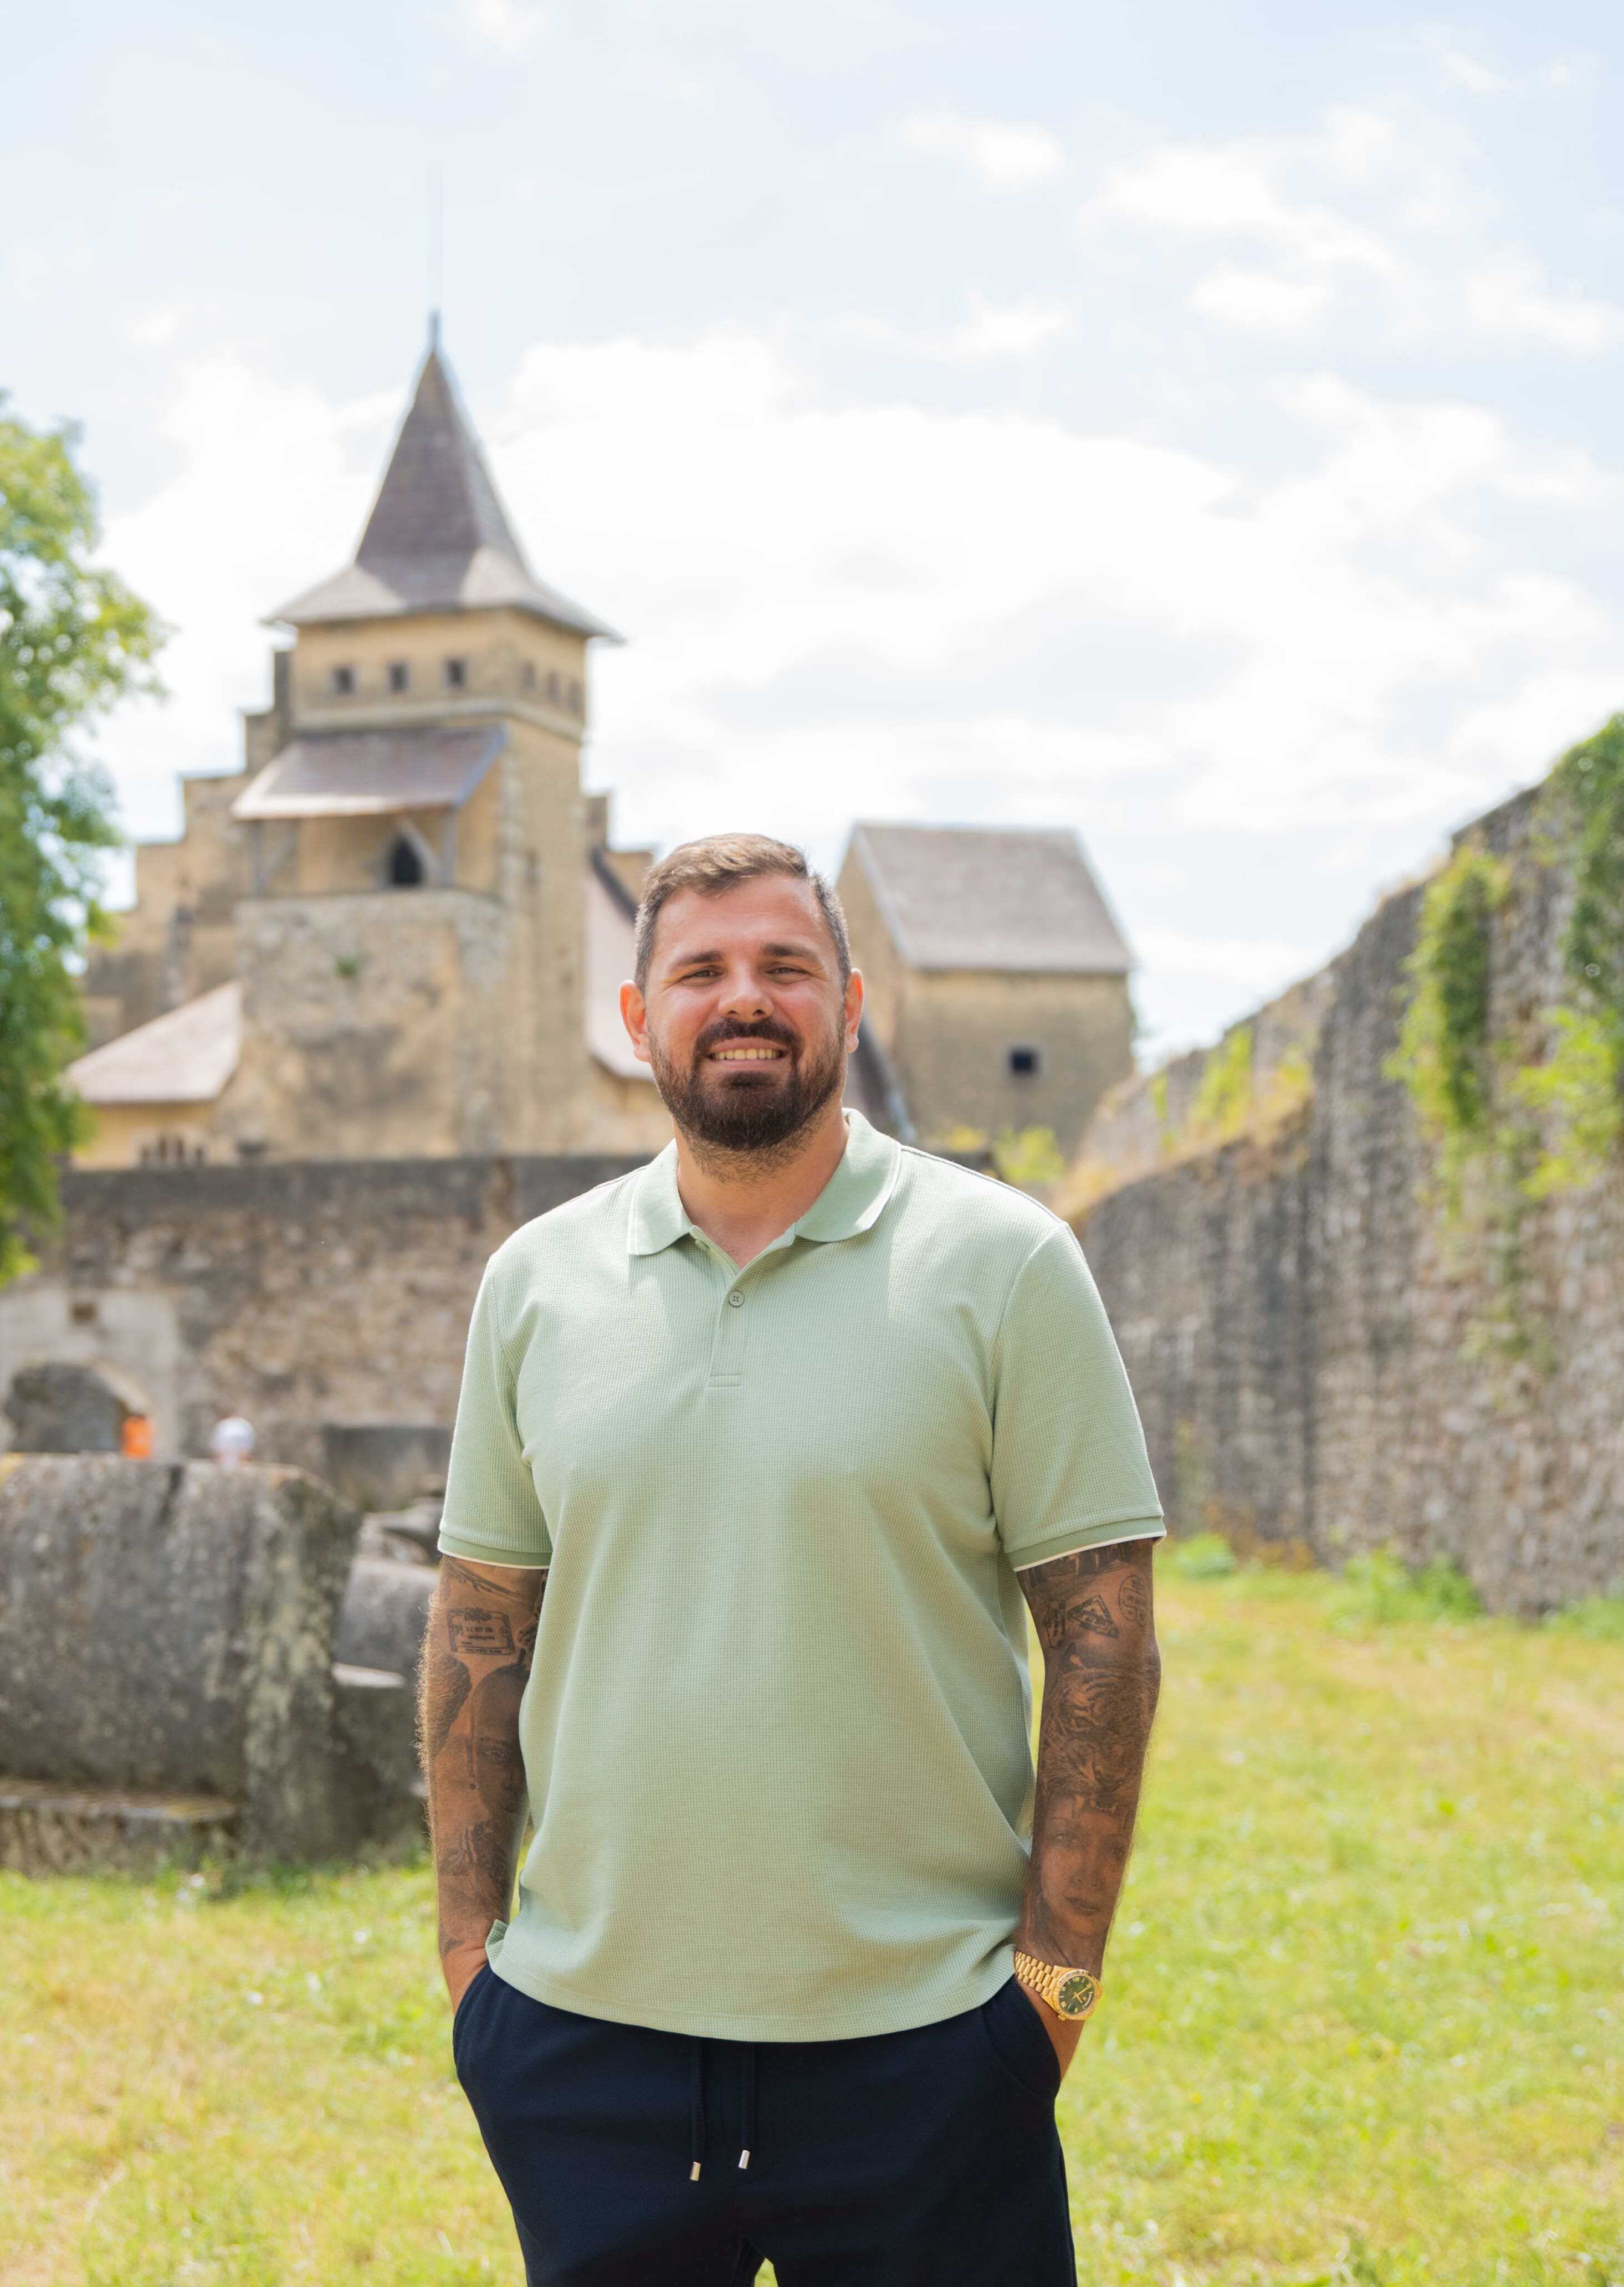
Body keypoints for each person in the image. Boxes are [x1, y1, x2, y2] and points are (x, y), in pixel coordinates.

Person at [423, 833, 1166, 2285]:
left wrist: (1051, 1999)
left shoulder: (1006, 1263)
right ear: (638, 1015)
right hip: (585, 2057)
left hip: (931, 2054)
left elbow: (1104, 1637)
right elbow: (477, 1625)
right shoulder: (535, 1284)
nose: (744, 998)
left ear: (852, 1002)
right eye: (700, 971)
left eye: (786, 966)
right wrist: (471, 1969)